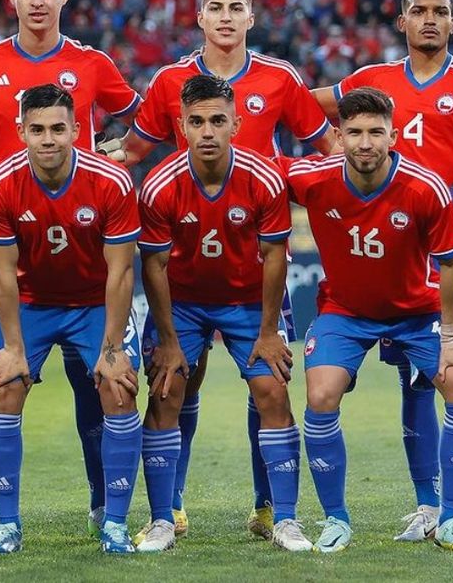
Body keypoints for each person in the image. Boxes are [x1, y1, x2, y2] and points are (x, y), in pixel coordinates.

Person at [107, 0, 333, 541]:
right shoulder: (168, 82)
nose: (226, 17)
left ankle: (269, 509)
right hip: (185, 264)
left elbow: (328, 148)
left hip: (251, 262)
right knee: (177, 380)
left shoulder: (281, 78)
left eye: (237, 8)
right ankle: (171, 508)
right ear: (200, 18)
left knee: (269, 384)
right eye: (216, 8)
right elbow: (132, 150)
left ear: (251, 18)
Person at [0, 0, 141, 541]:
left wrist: (113, 154)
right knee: (2, 376)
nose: (36, 1)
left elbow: (136, 118)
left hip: (81, 236)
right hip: (7, 242)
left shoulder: (92, 64)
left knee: (98, 389)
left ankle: (105, 507)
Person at [315, 0, 453, 543]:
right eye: (418, 11)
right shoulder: (370, 81)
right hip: (399, 256)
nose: (429, 19)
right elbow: (302, 105)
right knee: (415, 378)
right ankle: (429, 504)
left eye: (440, 12)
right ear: (402, 22)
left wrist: (429, 207)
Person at [281, 88, 453, 553]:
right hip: (346, 311)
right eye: (354, 132)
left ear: (394, 136)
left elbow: (452, 264)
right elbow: (254, 172)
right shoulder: (313, 177)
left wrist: (452, 338)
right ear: (338, 136)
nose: (365, 142)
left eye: (376, 132)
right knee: (321, 393)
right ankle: (336, 519)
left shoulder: (424, 186)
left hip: (420, 312)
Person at [134, 74, 310, 553]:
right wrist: (168, 340)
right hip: (184, 305)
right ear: (182, 126)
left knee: (272, 391)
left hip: (247, 303)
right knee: (165, 391)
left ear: (236, 123)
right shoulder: (158, 185)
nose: (207, 131)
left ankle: (285, 519)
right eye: (196, 122)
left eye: (217, 120)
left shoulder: (265, 178)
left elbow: (276, 256)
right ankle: (161, 519)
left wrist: (270, 331)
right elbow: (154, 264)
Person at [0, 84, 142, 554]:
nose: (48, 139)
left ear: (76, 130)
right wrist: (12, 349)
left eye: (57, 128)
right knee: (3, 388)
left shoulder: (111, 181)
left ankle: (113, 523)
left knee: (119, 387)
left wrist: (112, 351)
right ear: (20, 132)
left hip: (94, 304)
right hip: (31, 303)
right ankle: (6, 524)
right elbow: (4, 277)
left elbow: (121, 271)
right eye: (37, 130)